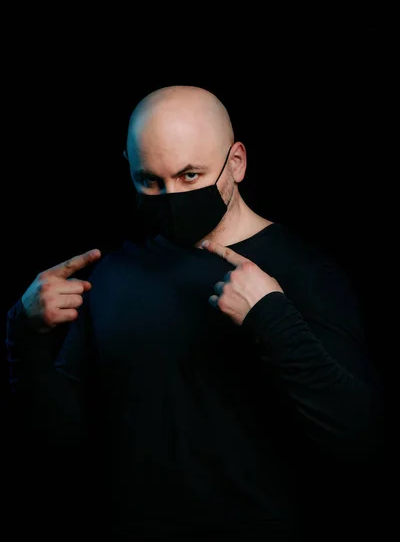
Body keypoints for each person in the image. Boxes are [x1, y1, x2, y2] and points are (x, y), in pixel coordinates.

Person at [6, 86, 382, 540]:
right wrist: (23, 334)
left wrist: (272, 317)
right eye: (150, 180)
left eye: (190, 176)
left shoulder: (306, 271)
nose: (170, 196)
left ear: (237, 162)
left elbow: (359, 441)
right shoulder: (112, 275)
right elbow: (59, 442)